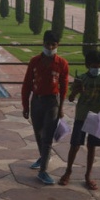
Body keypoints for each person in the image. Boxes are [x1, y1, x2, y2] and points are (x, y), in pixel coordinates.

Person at [59, 50, 100, 190]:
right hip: (81, 116)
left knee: (92, 147)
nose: (97, 69)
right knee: (75, 145)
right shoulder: (82, 78)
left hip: (96, 116)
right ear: (88, 65)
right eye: (94, 66)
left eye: (99, 66)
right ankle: (68, 171)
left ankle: (88, 175)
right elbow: (71, 98)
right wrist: (76, 91)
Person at [21, 30, 70, 185]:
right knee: (38, 133)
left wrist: (61, 107)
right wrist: (25, 105)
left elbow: (63, 88)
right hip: (37, 101)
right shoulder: (35, 61)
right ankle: (43, 157)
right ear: (43, 43)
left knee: (47, 136)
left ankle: (43, 171)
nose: (50, 47)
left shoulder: (62, 63)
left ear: (57, 45)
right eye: (47, 44)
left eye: (53, 44)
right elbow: (27, 84)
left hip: (52, 103)